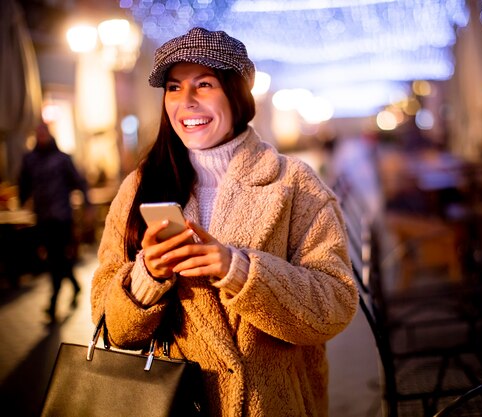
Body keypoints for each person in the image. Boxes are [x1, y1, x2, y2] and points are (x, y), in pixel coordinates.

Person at [90, 27, 358, 416]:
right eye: (174, 87)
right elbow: (106, 323)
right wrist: (147, 278)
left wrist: (240, 270)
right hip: (175, 405)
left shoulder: (293, 182)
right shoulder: (139, 188)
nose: (187, 102)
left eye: (204, 84)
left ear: (237, 95)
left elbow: (334, 304)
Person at [18, 121, 92, 323]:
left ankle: (52, 303)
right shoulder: (30, 159)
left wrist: (87, 205)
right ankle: (75, 286)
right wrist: (22, 199)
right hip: (42, 217)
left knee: (55, 258)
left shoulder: (62, 159)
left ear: (49, 134)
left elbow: (79, 182)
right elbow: (23, 182)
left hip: (62, 216)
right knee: (56, 258)